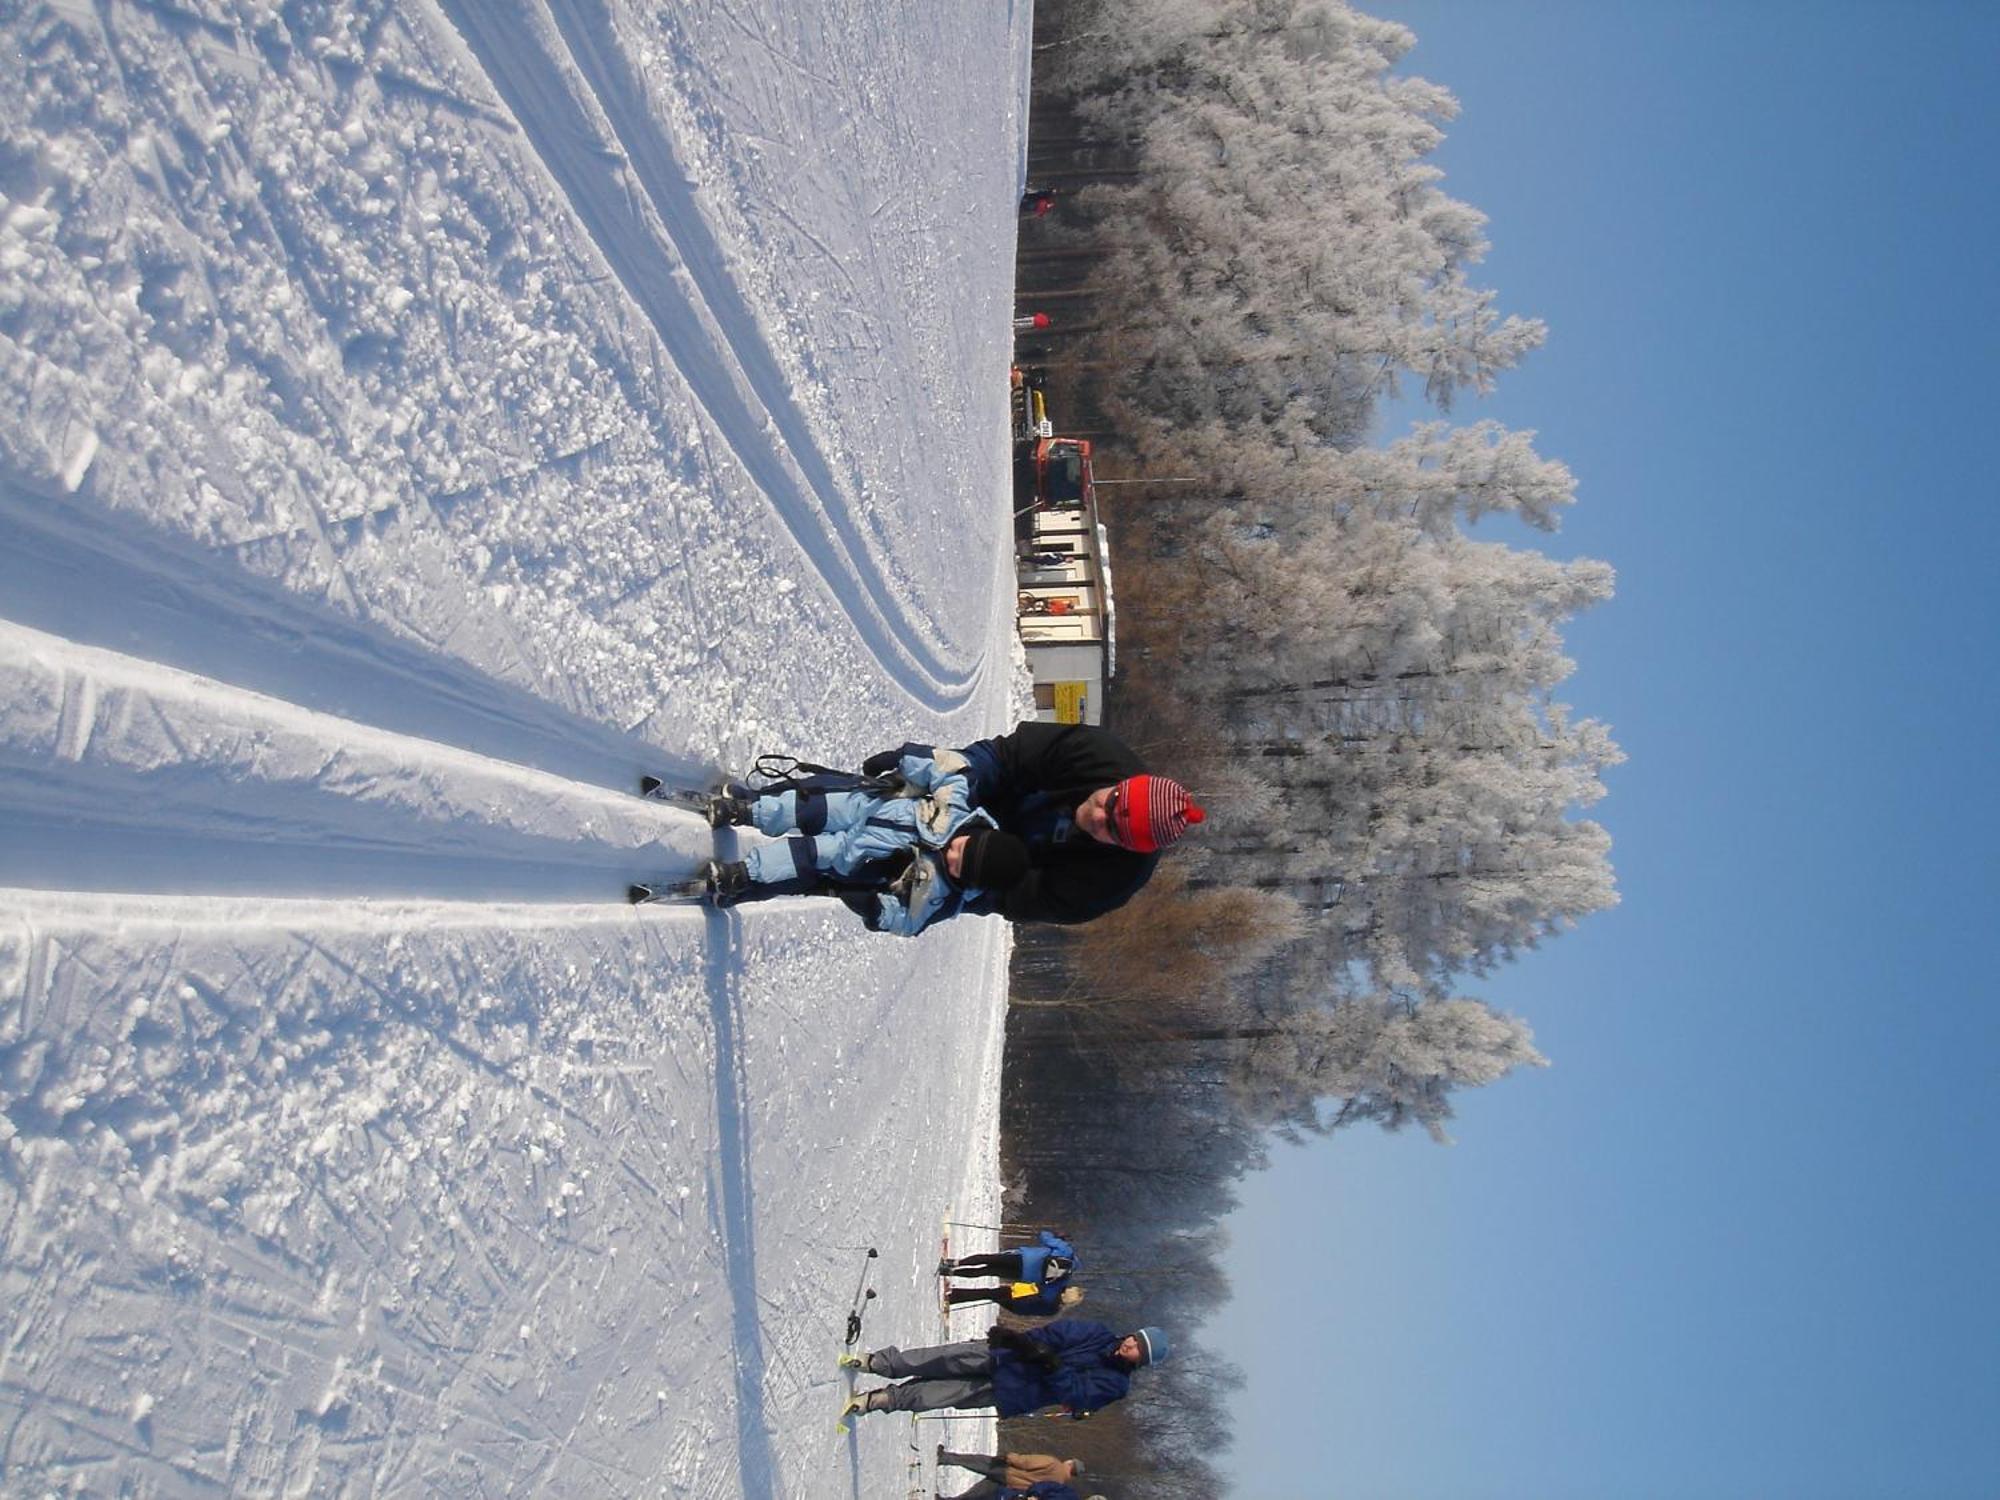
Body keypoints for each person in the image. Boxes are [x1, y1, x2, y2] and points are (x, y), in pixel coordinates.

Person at [859, 722, 1204, 925]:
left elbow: (1014, 897)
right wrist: (946, 773)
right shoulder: (1096, 752)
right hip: (986, 794)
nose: (1099, 817)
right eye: (1111, 803)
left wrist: (950, 881)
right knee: (880, 803)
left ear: (1127, 848)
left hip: (988, 864)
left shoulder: (1112, 882)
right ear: (1122, 784)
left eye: (1113, 830)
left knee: (881, 870)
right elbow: (1003, 757)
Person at [700, 749, 1031, 936]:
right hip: (864, 805)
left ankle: (742, 875)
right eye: (963, 847)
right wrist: (902, 758)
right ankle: (745, 811)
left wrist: (875, 909)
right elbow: (946, 768)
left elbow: (909, 922)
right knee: (804, 806)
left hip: (853, 858)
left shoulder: (941, 897)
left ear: (973, 882)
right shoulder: (959, 805)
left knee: (804, 857)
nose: (953, 854)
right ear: (978, 832)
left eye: (961, 867)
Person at [839, 1320, 1169, 1421]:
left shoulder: (1116, 1384)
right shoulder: (1098, 1333)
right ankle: (881, 1363)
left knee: (938, 1394)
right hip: (1007, 1357)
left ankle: (884, 1400)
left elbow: (1076, 1393)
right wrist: (1021, 1342)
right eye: (1134, 1339)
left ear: (1138, 1361)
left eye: (1138, 1350)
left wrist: (1052, 1366)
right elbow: (1057, 1333)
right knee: (938, 1358)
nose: (1130, 1345)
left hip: (1015, 1390)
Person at [942, 1231, 1080, 1315]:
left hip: (1023, 1258)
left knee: (988, 1259)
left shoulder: (1067, 1251)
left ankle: (954, 1263)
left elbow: (1044, 1236)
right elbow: (1044, 1289)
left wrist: (1056, 1236)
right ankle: (951, 1273)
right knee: (988, 1270)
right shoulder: (1062, 1280)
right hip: (1022, 1275)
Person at [936, 1448, 1087, 1495]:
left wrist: (1010, 1457)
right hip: (1011, 1486)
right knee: (978, 1493)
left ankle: (945, 1457)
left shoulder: (1054, 1463)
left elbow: (1028, 1462)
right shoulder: (1059, 1484)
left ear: (1070, 1464)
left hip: (1009, 1471)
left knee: (977, 1462)